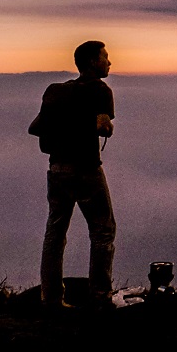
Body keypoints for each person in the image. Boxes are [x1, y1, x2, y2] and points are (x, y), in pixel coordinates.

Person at [30, 40, 117, 308]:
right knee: (103, 231)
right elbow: (103, 127)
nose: (109, 62)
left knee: (55, 233)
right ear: (92, 62)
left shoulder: (55, 91)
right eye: (105, 57)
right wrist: (104, 128)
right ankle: (100, 297)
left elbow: (36, 128)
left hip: (57, 170)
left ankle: (52, 298)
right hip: (86, 170)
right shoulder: (100, 90)